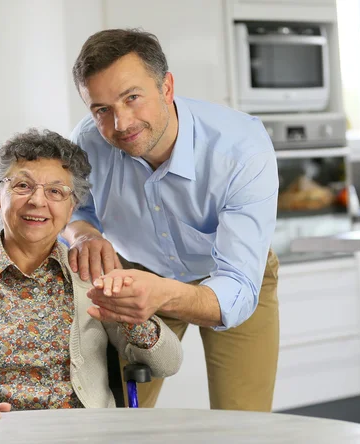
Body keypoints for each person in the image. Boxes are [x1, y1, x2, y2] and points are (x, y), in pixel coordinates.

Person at [0, 128, 182, 423]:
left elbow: (168, 363)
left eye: (55, 191)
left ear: (71, 207)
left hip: (84, 434)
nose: (37, 200)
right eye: (22, 185)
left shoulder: (91, 272)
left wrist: (131, 315)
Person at [63, 29, 279, 411]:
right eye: (101, 109)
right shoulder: (87, 141)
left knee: (245, 426)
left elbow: (240, 289)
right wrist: (83, 234)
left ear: (167, 87)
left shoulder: (242, 148)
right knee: (111, 416)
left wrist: (164, 293)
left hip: (231, 275)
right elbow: (75, 208)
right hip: (136, 275)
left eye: (132, 97)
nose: (121, 122)